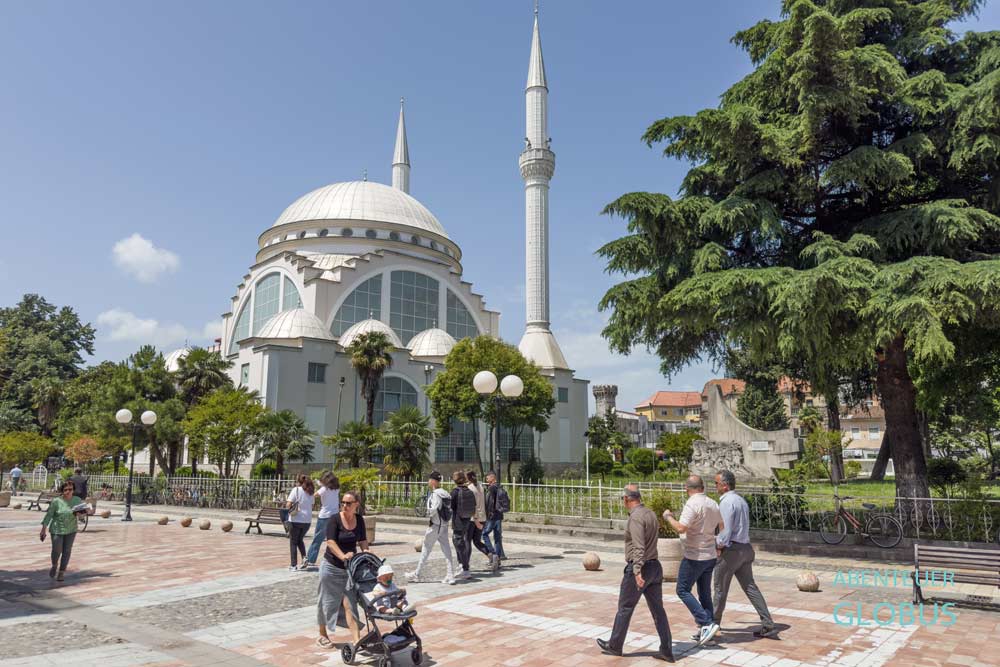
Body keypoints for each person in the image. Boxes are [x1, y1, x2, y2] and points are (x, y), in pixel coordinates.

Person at [597, 485, 674, 662]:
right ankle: (666, 649)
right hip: (655, 566)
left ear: (626, 499)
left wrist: (637, 571)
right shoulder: (650, 513)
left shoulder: (636, 518)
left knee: (625, 607)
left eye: (622, 499)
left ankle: (615, 645)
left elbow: (639, 546)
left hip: (641, 567)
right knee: (658, 610)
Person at [712, 470, 776, 638]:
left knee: (719, 589)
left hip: (731, 551)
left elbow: (726, 531)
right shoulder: (741, 500)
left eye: (716, 483)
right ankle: (768, 623)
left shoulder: (726, 502)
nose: (715, 486)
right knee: (750, 587)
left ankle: (712, 626)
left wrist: (717, 545)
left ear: (725, 485)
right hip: (745, 549)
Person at [662, 475, 723, 646]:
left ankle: (706, 623)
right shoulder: (713, 503)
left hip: (694, 556)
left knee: (682, 590)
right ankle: (709, 631)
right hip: (710, 554)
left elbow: (681, 527)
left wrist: (668, 517)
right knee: (704, 593)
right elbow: (722, 526)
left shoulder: (692, 504)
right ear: (702, 487)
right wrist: (717, 544)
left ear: (687, 488)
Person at [317, 491, 367, 649]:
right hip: (331, 567)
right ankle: (322, 635)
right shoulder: (334, 519)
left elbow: (363, 541)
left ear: (356, 504)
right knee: (326, 602)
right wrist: (342, 556)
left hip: (349, 569)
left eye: (348, 503)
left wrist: (367, 552)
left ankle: (356, 640)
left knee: (350, 604)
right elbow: (330, 542)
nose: (345, 505)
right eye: (343, 502)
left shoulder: (359, 520)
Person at [405, 471, 457, 585]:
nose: (428, 481)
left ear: (433, 481)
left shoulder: (435, 494)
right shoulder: (445, 493)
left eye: (429, 479)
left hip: (435, 525)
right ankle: (450, 574)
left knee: (426, 548)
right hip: (444, 525)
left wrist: (428, 513)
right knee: (446, 549)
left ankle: (417, 574)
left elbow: (433, 509)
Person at [39, 480, 93, 582]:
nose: (68, 491)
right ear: (62, 491)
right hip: (57, 529)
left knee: (67, 551)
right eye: (65, 490)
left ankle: (61, 572)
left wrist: (85, 512)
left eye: (70, 489)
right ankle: (54, 565)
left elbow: (81, 514)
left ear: (73, 490)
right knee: (57, 550)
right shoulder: (56, 501)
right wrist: (43, 529)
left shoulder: (77, 500)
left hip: (71, 529)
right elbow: (49, 515)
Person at [305, 472, 340, 568]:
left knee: (318, 539)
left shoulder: (324, 489)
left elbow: (314, 495)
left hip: (324, 516)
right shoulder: (336, 489)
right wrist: (319, 483)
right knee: (333, 539)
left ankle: (310, 559)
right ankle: (335, 558)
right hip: (335, 515)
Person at [466, 470, 499, 571]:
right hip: (483, 517)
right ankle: (492, 555)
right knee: (477, 541)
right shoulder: (481, 486)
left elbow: (472, 505)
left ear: (468, 479)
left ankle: (465, 565)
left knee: (467, 540)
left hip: (473, 518)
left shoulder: (469, 488)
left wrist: (474, 518)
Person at [450, 470, 477, 579]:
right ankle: (462, 566)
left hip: (458, 520)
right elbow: (474, 505)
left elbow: (451, 506)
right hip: (467, 520)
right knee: (460, 542)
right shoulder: (469, 491)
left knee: (459, 543)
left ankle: (465, 569)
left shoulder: (455, 492)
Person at [286, 474, 314, 571]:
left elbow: (288, 504)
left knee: (293, 542)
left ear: (299, 482)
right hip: (307, 520)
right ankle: (304, 558)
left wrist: (289, 508)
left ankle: (293, 565)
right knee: (299, 540)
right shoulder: (311, 492)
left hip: (296, 519)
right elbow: (312, 505)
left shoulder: (296, 490)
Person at [483, 471, 509, 561]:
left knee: (484, 534)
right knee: (497, 538)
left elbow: (490, 503)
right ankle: (497, 559)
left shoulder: (492, 488)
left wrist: (488, 514)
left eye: (487, 478)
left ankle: (493, 554)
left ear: (492, 478)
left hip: (492, 516)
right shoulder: (499, 487)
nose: (486, 480)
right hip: (499, 515)